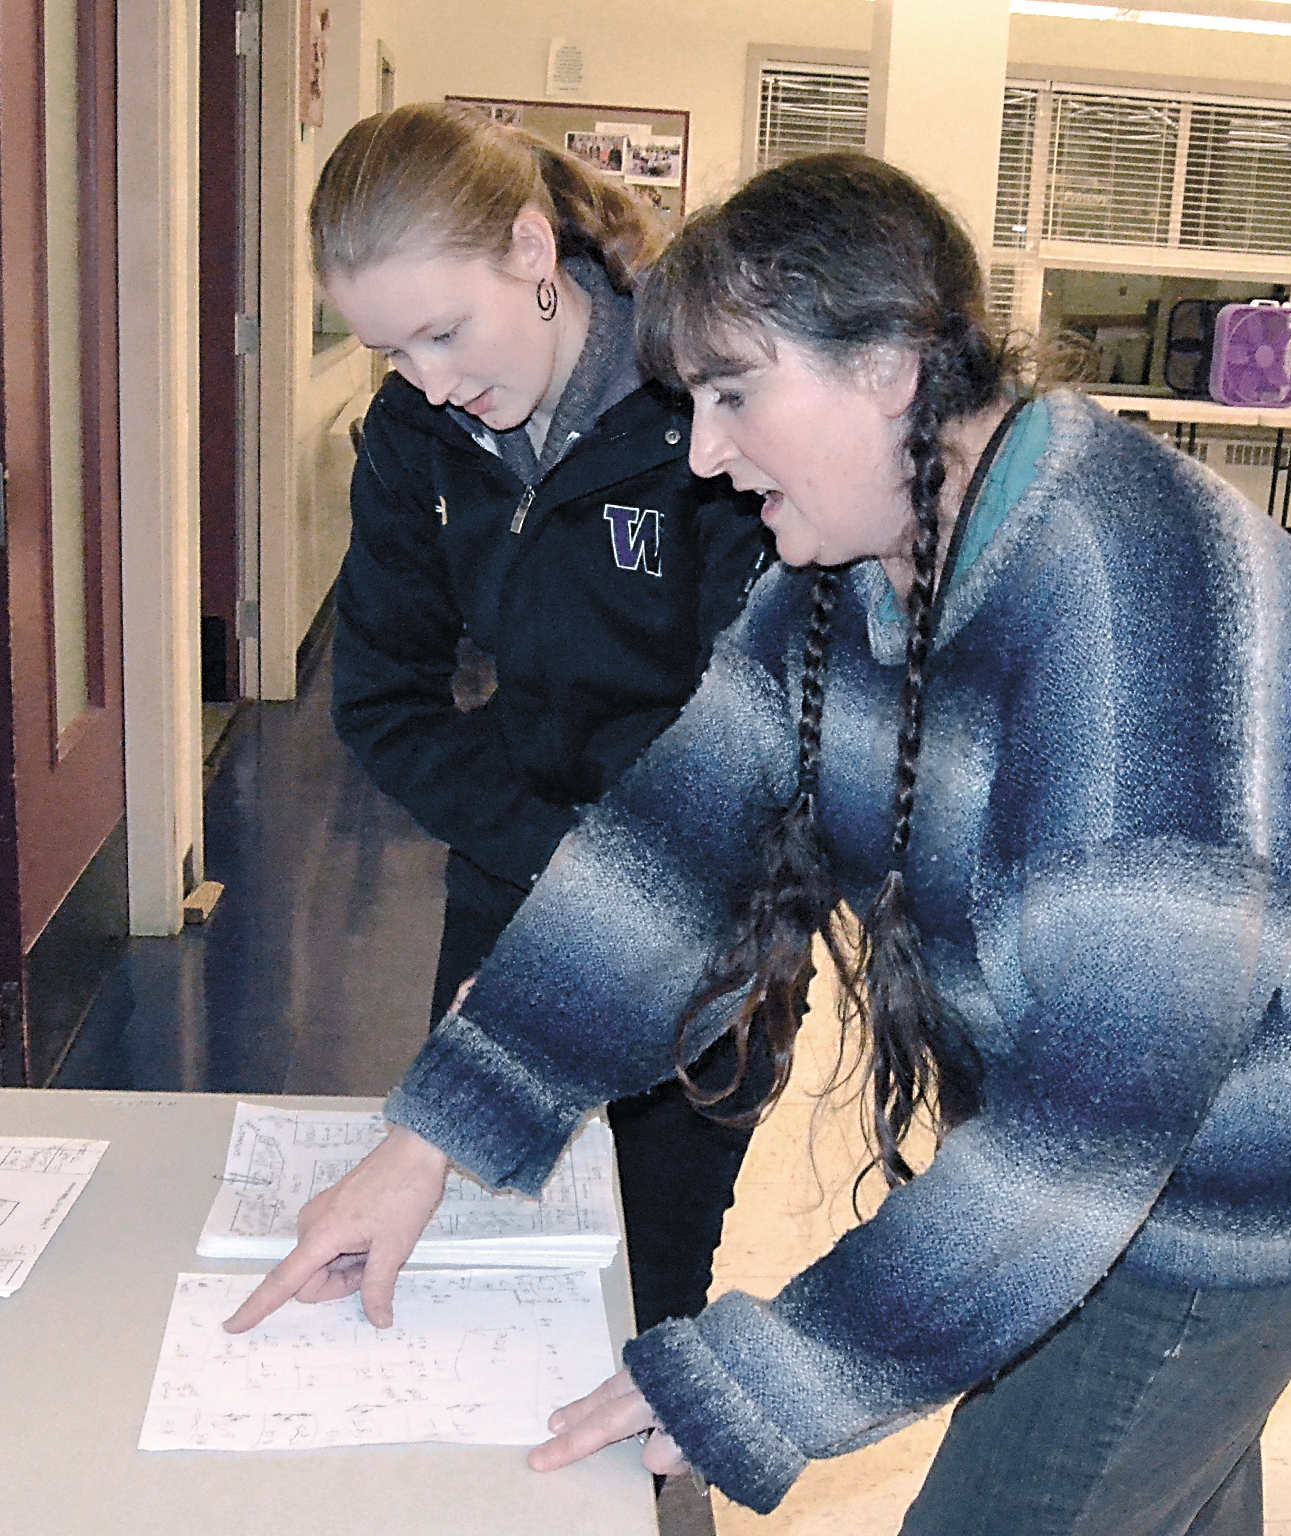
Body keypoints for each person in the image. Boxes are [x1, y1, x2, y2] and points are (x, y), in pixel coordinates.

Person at [233, 152, 1291, 1535]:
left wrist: (750, 1382)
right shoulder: (844, 563)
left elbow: (1086, 1146)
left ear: (888, 365)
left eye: (730, 396)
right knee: (1154, 1482)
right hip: (1116, 1129)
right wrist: (428, 1143)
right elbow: (666, 855)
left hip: (1254, 1172)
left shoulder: (1137, 630)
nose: (700, 455)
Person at [310, 103, 773, 1334]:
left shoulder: (707, 413)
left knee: (647, 1286)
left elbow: (760, 734)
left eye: (445, 333)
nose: (431, 384)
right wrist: (543, 849)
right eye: (391, 353)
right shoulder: (419, 432)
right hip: (515, 872)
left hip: (712, 904)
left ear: (530, 250)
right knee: (469, 1253)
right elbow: (382, 697)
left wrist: (620, 880)